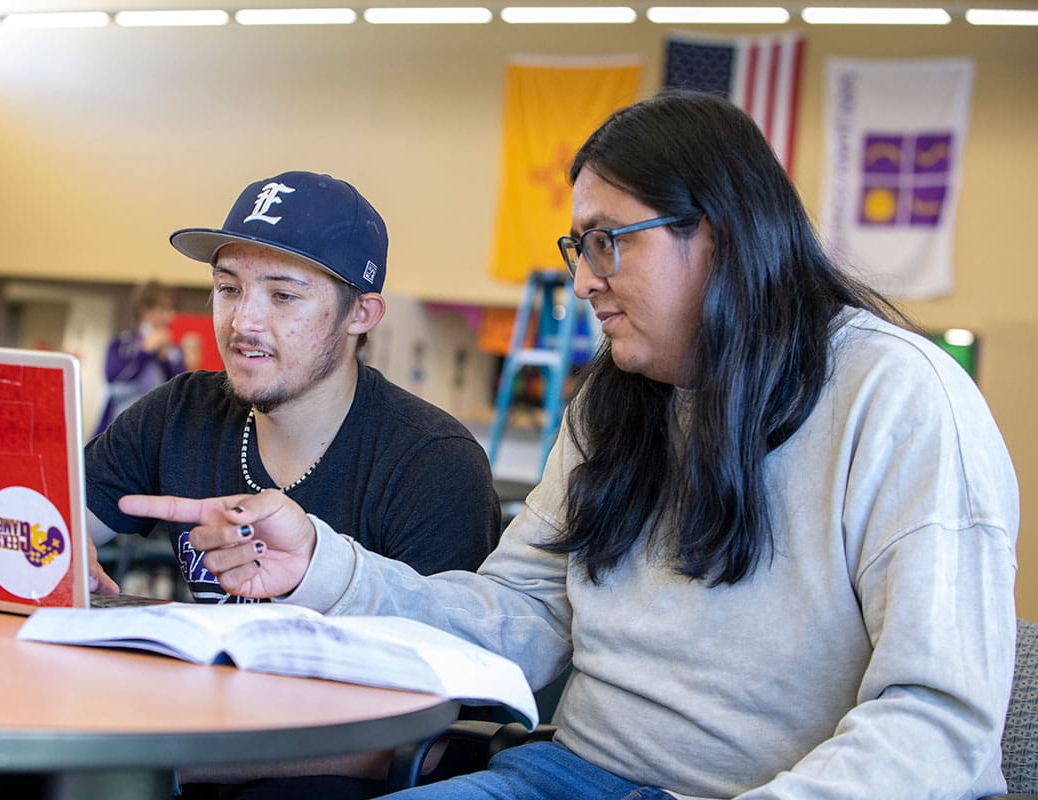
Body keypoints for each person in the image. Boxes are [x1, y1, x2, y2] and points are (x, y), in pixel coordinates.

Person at [121, 92, 1020, 800]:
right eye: (577, 245)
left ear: (717, 232)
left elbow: (937, 719)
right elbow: (521, 620)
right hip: (570, 772)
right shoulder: (614, 401)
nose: (583, 279)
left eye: (606, 242)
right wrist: (324, 565)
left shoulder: (898, 398)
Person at [86, 170, 500, 798]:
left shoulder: (432, 464)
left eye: (283, 295)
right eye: (228, 288)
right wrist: (55, 545)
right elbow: (47, 518)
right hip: (199, 731)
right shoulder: (180, 413)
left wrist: (165, 762)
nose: (243, 321)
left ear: (361, 313)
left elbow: (438, 729)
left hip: (323, 771)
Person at [93, 279, 187, 437]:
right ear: (144, 309)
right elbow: (114, 380)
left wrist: (165, 361)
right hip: (116, 430)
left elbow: (180, 393)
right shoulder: (121, 344)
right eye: (163, 308)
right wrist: (145, 352)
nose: (169, 317)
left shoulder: (173, 351)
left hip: (156, 433)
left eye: (171, 309)